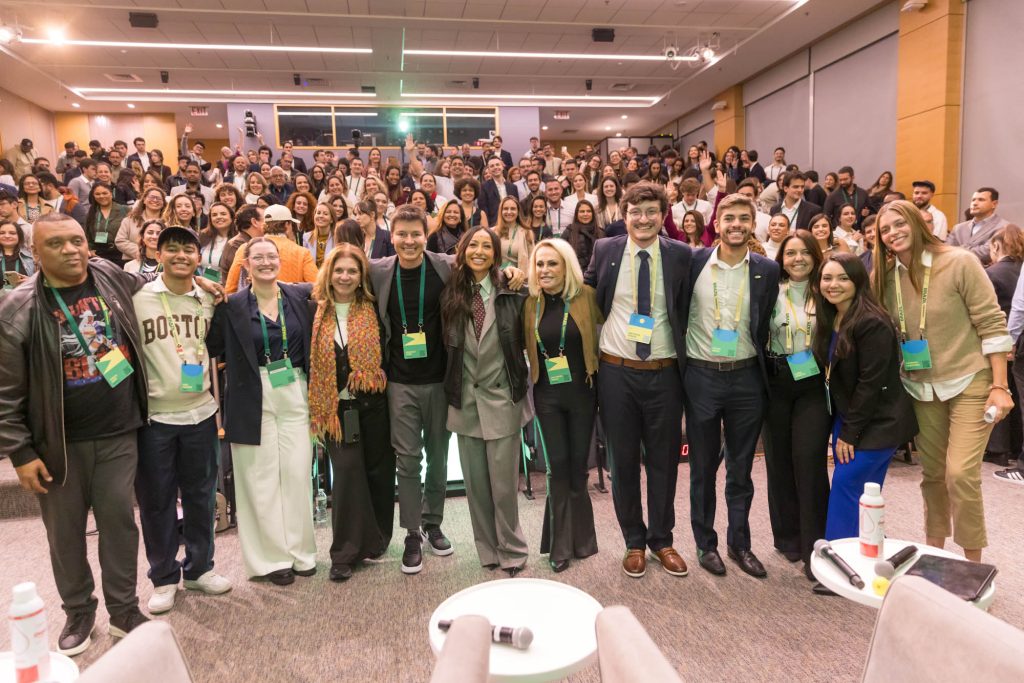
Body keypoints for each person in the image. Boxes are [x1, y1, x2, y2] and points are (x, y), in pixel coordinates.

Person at [0, 214, 160, 655]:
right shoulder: (17, 308)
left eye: (77, 241)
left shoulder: (109, 275)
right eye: (57, 244)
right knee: (65, 534)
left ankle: (125, 611)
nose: (71, 250)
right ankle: (78, 610)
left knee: (120, 526)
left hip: (118, 431)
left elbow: (160, 296)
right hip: (56, 445)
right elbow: (5, 391)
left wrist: (200, 287)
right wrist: (19, 450)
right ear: (37, 252)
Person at [872, 200, 1013, 561]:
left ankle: (972, 565)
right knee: (933, 475)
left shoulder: (960, 262)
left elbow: (992, 324)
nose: (893, 233)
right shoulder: (886, 279)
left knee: (960, 475)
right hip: (921, 386)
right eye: (885, 229)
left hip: (971, 380)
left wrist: (1000, 385)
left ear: (919, 222)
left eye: (899, 224)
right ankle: (933, 553)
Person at [584, 181, 692, 580]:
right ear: (623, 216)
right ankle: (633, 540)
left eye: (651, 212)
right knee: (623, 461)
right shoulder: (605, 249)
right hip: (617, 372)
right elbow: (585, 294)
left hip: (665, 373)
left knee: (664, 461)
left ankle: (662, 539)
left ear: (662, 217)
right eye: (635, 212)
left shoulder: (682, 255)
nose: (643, 219)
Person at [131, 225, 232, 613]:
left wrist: (214, 290)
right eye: (171, 249)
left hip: (201, 413)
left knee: (201, 495)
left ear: (197, 257)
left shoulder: (208, 299)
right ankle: (164, 576)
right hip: (155, 417)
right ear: (158, 255)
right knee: (156, 501)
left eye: (188, 250)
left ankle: (199, 568)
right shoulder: (139, 297)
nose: (181, 256)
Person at [206, 237, 317, 584]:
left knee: (298, 473)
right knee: (260, 480)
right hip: (250, 395)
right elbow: (212, 345)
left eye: (272, 256)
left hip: (295, 389)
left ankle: (302, 553)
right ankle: (272, 560)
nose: (266, 262)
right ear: (245, 264)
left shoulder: (300, 295)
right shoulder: (231, 305)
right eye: (258, 258)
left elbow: (343, 275)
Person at [685, 193, 779, 578]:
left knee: (741, 469)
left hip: (746, 379)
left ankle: (739, 544)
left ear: (752, 222)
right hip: (702, 376)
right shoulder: (692, 263)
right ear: (717, 223)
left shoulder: (767, 269)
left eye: (744, 218)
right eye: (729, 218)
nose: (736, 225)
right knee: (702, 469)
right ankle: (705, 544)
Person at [368, 205, 456, 574]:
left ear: (426, 234)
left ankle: (433, 520)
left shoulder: (446, 266)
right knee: (407, 460)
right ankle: (411, 531)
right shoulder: (377, 270)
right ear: (392, 237)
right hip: (399, 383)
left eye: (415, 234)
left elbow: (488, 270)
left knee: (438, 456)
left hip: (439, 379)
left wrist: (514, 272)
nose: (408, 240)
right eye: (401, 234)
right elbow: (329, 280)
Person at [442, 226, 531, 576]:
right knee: (476, 486)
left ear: (497, 254)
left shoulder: (510, 289)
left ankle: (512, 549)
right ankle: (487, 549)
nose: (479, 251)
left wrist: (517, 274)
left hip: (502, 398)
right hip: (464, 399)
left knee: (504, 486)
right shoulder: (450, 291)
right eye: (472, 245)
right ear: (462, 251)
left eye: (486, 246)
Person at [815, 253, 918, 548]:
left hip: (876, 423)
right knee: (865, 492)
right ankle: (868, 548)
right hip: (849, 417)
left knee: (846, 487)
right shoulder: (833, 315)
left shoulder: (872, 322)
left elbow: (870, 384)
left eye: (842, 278)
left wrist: (850, 433)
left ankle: (838, 559)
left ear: (858, 280)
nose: (833, 285)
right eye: (827, 278)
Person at [308, 244, 394, 582]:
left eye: (352, 271)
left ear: (361, 277)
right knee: (345, 475)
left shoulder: (375, 309)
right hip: (335, 409)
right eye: (339, 270)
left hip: (373, 405)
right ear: (329, 273)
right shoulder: (312, 307)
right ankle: (343, 552)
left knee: (377, 472)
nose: (345, 276)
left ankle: (376, 539)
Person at [524, 239, 601, 572]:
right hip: (548, 396)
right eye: (540, 264)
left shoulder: (587, 297)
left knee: (578, 466)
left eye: (552, 264)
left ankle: (581, 540)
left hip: (583, 392)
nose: (545, 271)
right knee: (557, 464)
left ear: (567, 266)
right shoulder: (529, 304)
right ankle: (559, 545)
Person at [762, 231, 830, 577]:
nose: (798, 259)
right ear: (781, 258)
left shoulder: (828, 291)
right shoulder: (770, 291)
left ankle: (814, 543)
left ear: (816, 256)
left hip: (813, 383)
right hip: (775, 379)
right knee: (778, 459)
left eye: (805, 252)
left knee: (809, 460)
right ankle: (787, 537)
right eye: (791, 253)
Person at [983, 225, 1024, 467]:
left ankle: (997, 450)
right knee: (1017, 399)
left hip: (1003, 340)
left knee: (998, 390)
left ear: (997, 245)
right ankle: (1015, 448)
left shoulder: (992, 273)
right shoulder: (1019, 269)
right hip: (1018, 341)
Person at [224, 205, 317, 294]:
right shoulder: (302, 252)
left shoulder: (245, 248)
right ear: (287, 225)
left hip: (252, 307)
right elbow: (317, 286)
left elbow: (230, 288)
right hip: (289, 308)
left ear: (264, 225)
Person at [948, 188, 1008, 265]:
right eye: (973, 200)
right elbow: (946, 250)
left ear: (994, 204)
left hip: (985, 274)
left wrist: (956, 250)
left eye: (981, 200)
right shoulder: (958, 228)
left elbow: (987, 252)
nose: (975, 203)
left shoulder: (1004, 226)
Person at [84, 182, 128, 264]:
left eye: (105, 193)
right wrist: (90, 250)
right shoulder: (91, 213)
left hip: (120, 254)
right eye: (97, 194)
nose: (101, 196)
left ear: (111, 194)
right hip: (99, 255)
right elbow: (87, 235)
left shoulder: (125, 210)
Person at [198, 202, 236, 283]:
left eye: (223, 214)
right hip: (204, 284)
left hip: (229, 287)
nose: (219, 217)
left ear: (231, 217)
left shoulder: (238, 240)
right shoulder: (203, 236)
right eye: (214, 215)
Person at [562, 199, 603, 272]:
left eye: (588, 211)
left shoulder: (601, 233)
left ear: (593, 214)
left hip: (597, 276)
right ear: (576, 214)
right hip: (576, 275)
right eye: (582, 211)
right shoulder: (569, 232)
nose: (585, 214)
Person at [493, 195, 532, 271]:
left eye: (513, 209)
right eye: (505, 209)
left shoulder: (527, 232)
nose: (509, 212)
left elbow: (532, 259)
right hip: (497, 277)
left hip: (520, 278)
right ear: (501, 211)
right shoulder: (492, 232)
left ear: (518, 212)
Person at [0, 221, 34, 292]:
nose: (7, 236)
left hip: (25, 300)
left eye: (12, 233)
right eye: (2, 233)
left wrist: (32, 281)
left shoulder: (32, 257)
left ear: (19, 236)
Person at [303, 200, 336, 268]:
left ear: (332, 220)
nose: (321, 216)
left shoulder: (337, 237)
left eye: (325, 214)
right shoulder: (306, 237)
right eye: (318, 213)